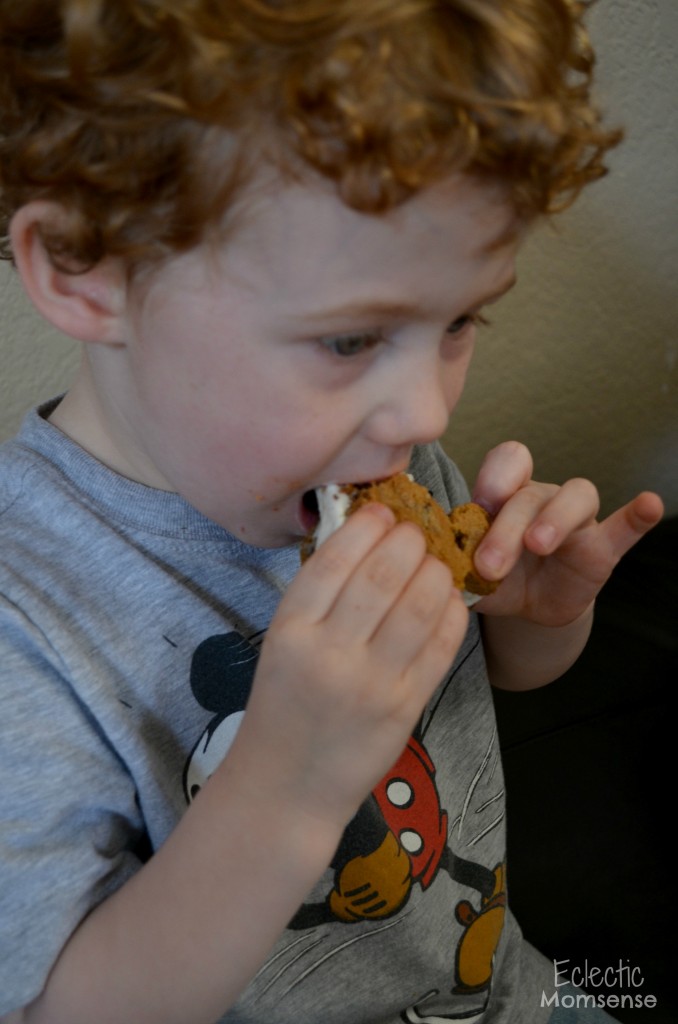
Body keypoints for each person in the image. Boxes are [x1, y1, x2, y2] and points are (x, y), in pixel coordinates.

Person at [0, 2, 664, 1022]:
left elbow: (476, 693)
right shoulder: (25, 624)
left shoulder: (385, 459)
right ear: (88, 268)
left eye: (460, 320)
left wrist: (537, 616)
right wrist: (286, 787)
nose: (428, 411)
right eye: (351, 341)